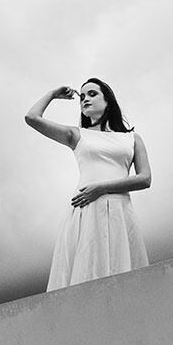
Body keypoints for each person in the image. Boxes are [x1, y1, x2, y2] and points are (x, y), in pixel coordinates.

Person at [25, 77, 150, 290]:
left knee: (124, 275)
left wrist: (101, 188)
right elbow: (32, 117)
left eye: (92, 94)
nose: (85, 100)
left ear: (108, 100)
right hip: (86, 209)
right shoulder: (77, 135)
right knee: (86, 269)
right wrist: (53, 94)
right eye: (82, 97)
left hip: (120, 210)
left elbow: (145, 179)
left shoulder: (132, 139)